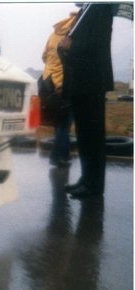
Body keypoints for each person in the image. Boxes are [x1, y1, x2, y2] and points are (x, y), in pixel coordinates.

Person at [60, 4, 114, 197]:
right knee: (84, 135)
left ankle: (94, 186)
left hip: (92, 81)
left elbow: (97, 43)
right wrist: (65, 45)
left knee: (93, 136)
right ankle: (86, 178)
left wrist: (71, 45)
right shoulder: (85, 10)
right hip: (80, 81)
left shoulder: (101, 7)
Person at [40, 12, 77, 167]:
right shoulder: (72, 35)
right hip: (64, 83)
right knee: (65, 123)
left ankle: (62, 155)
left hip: (48, 82)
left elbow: (43, 56)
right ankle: (58, 156)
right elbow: (73, 59)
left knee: (58, 123)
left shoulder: (53, 35)